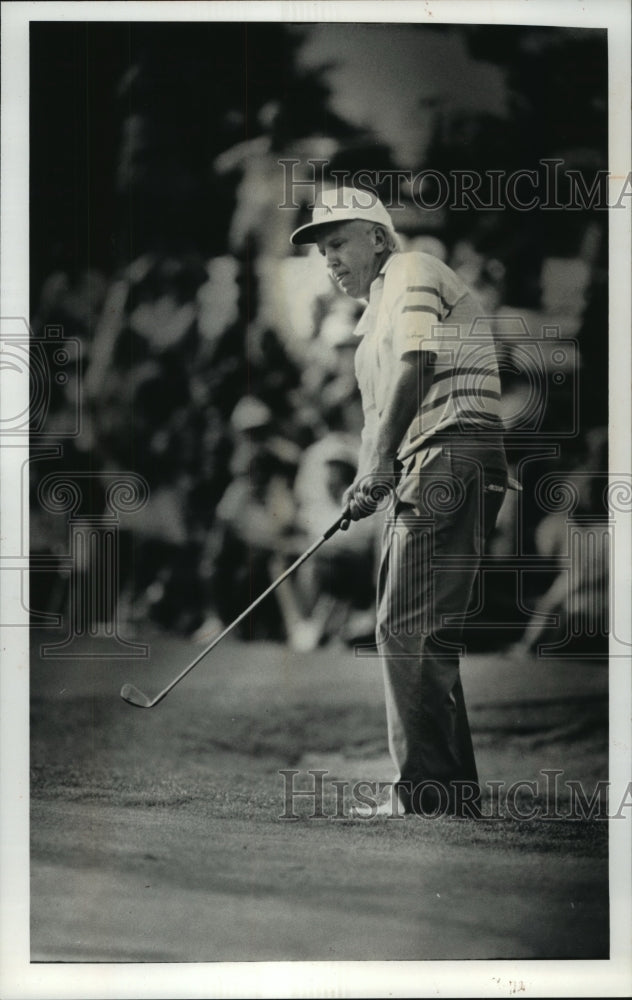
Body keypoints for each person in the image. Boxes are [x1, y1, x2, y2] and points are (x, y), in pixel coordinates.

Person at [290, 186, 513, 818]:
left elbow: (419, 360)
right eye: (321, 249)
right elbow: (377, 425)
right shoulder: (367, 331)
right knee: (420, 629)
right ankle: (447, 791)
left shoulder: (411, 269)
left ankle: (424, 794)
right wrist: (367, 480)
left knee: (406, 626)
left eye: (337, 242)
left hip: (451, 450)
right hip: (436, 460)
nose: (328, 259)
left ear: (379, 239)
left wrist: (383, 462)